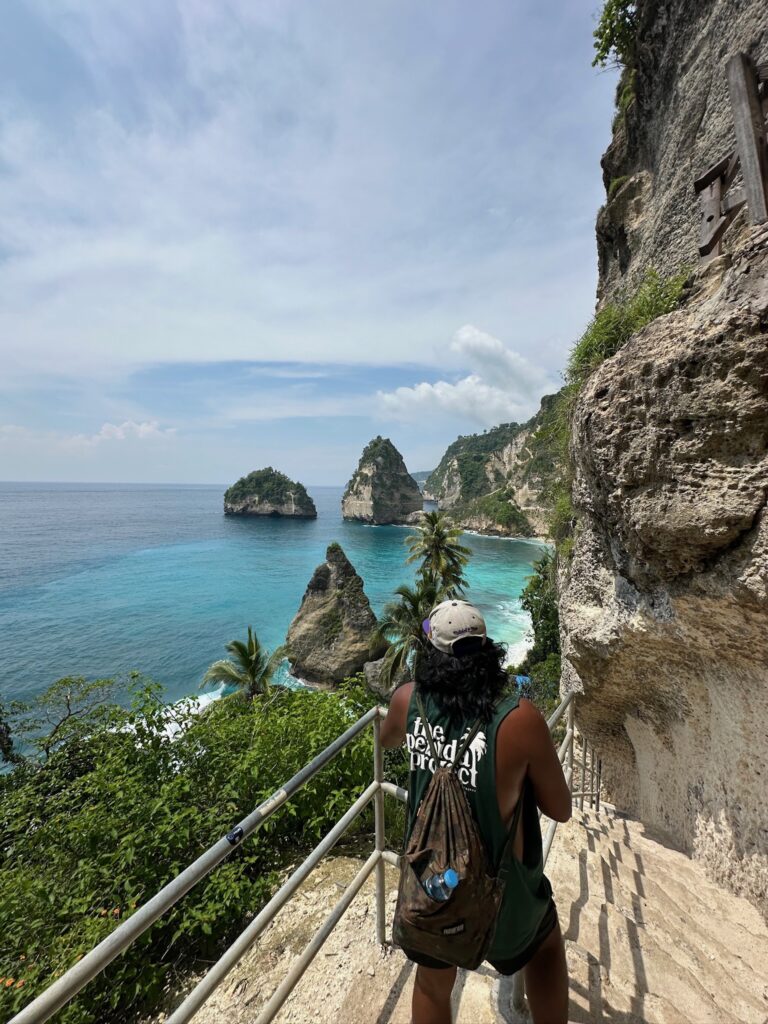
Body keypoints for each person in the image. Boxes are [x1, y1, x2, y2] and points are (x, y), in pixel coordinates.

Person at [380, 599, 571, 1024]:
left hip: (433, 887)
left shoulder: (409, 701)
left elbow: (386, 739)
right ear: (486, 651)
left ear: (431, 654)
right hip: (501, 895)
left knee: (431, 984)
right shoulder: (519, 719)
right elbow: (560, 809)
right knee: (544, 946)